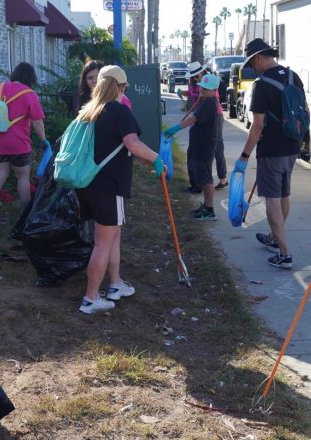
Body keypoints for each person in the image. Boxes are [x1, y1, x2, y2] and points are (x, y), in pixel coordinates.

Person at [75, 65, 165, 315]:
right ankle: (90, 298)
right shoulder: (118, 110)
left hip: (88, 184)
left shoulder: (88, 112)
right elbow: (132, 143)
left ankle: (115, 285)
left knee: (111, 237)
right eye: (125, 87)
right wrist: (157, 158)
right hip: (109, 186)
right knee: (103, 243)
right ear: (119, 87)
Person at [236, 38, 304, 270]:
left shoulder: (262, 85)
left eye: (251, 63)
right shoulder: (294, 76)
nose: (252, 68)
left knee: (272, 200)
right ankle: (275, 238)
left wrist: (245, 155)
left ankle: (284, 253)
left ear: (258, 57)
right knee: (284, 195)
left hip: (271, 150)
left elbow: (257, 125)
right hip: (292, 147)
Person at [0, 62, 46, 223]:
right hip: (18, 143)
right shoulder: (29, 94)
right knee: (22, 177)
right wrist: (44, 140)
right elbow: (37, 121)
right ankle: (25, 214)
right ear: (31, 78)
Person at [162, 73, 222, 221]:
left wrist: (175, 129)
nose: (202, 90)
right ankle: (207, 207)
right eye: (202, 87)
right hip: (200, 145)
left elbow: (192, 119)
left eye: (206, 89)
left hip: (204, 147)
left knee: (206, 179)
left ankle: (209, 210)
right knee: (202, 176)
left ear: (214, 90)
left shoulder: (209, 104)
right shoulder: (206, 101)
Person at [178, 62, 229, 191]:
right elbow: (191, 94)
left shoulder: (210, 83)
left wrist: (177, 128)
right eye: (193, 77)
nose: (195, 79)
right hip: (201, 115)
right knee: (199, 146)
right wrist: (182, 93)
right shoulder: (196, 84)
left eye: (196, 76)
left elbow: (212, 96)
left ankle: (222, 178)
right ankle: (200, 181)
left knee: (216, 146)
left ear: (201, 73)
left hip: (213, 117)